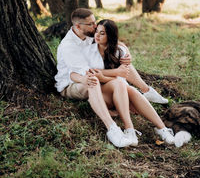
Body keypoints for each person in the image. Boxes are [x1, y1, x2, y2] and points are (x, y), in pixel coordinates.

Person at [55, 8, 174, 147]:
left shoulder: (88, 35)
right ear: (78, 26)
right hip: (72, 84)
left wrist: (125, 54)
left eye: (95, 22)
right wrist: (117, 73)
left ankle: (157, 128)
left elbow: (112, 42)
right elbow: (84, 74)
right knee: (98, 81)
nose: (94, 26)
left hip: (98, 79)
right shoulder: (69, 45)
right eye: (91, 24)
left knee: (123, 82)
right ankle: (112, 129)